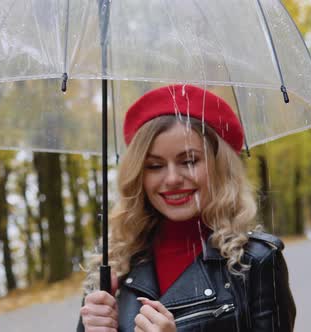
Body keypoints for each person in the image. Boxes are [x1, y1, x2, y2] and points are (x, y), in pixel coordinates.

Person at [77, 84, 296, 332]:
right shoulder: (113, 262)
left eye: (189, 161)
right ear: (139, 175)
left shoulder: (255, 261)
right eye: (154, 165)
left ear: (218, 167)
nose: (171, 179)